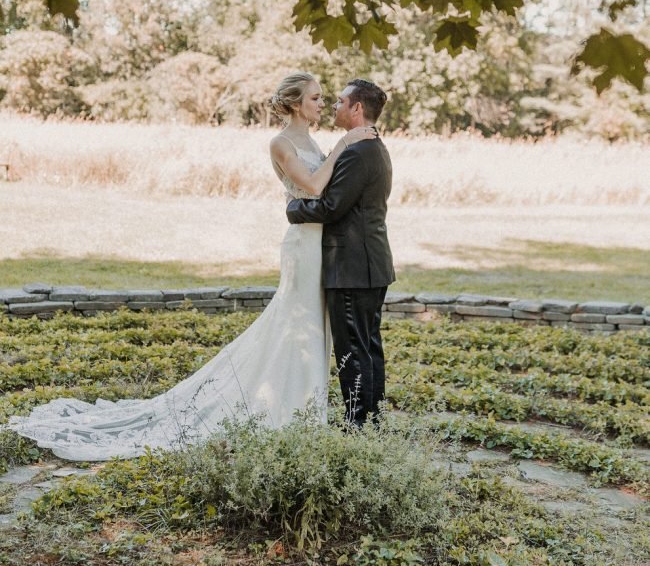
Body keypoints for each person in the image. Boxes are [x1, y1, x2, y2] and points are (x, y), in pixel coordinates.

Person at [8, 72, 376, 461]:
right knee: (295, 324)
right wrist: (343, 144)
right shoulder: (281, 143)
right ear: (294, 103)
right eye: (316, 98)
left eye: (323, 98)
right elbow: (315, 187)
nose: (322, 103)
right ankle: (288, 413)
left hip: (322, 245)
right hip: (303, 247)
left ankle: (301, 407)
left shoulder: (312, 140)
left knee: (309, 330)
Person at [287, 79, 395, 428]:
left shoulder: (356, 151)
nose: (333, 106)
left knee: (352, 351)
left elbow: (331, 207)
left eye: (339, 101)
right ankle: (370, 423)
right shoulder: (373, 145)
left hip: (351, 267)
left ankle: (358, 427)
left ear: (357, 109)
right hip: (370, 264)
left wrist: (293, 209)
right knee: (368, 347)